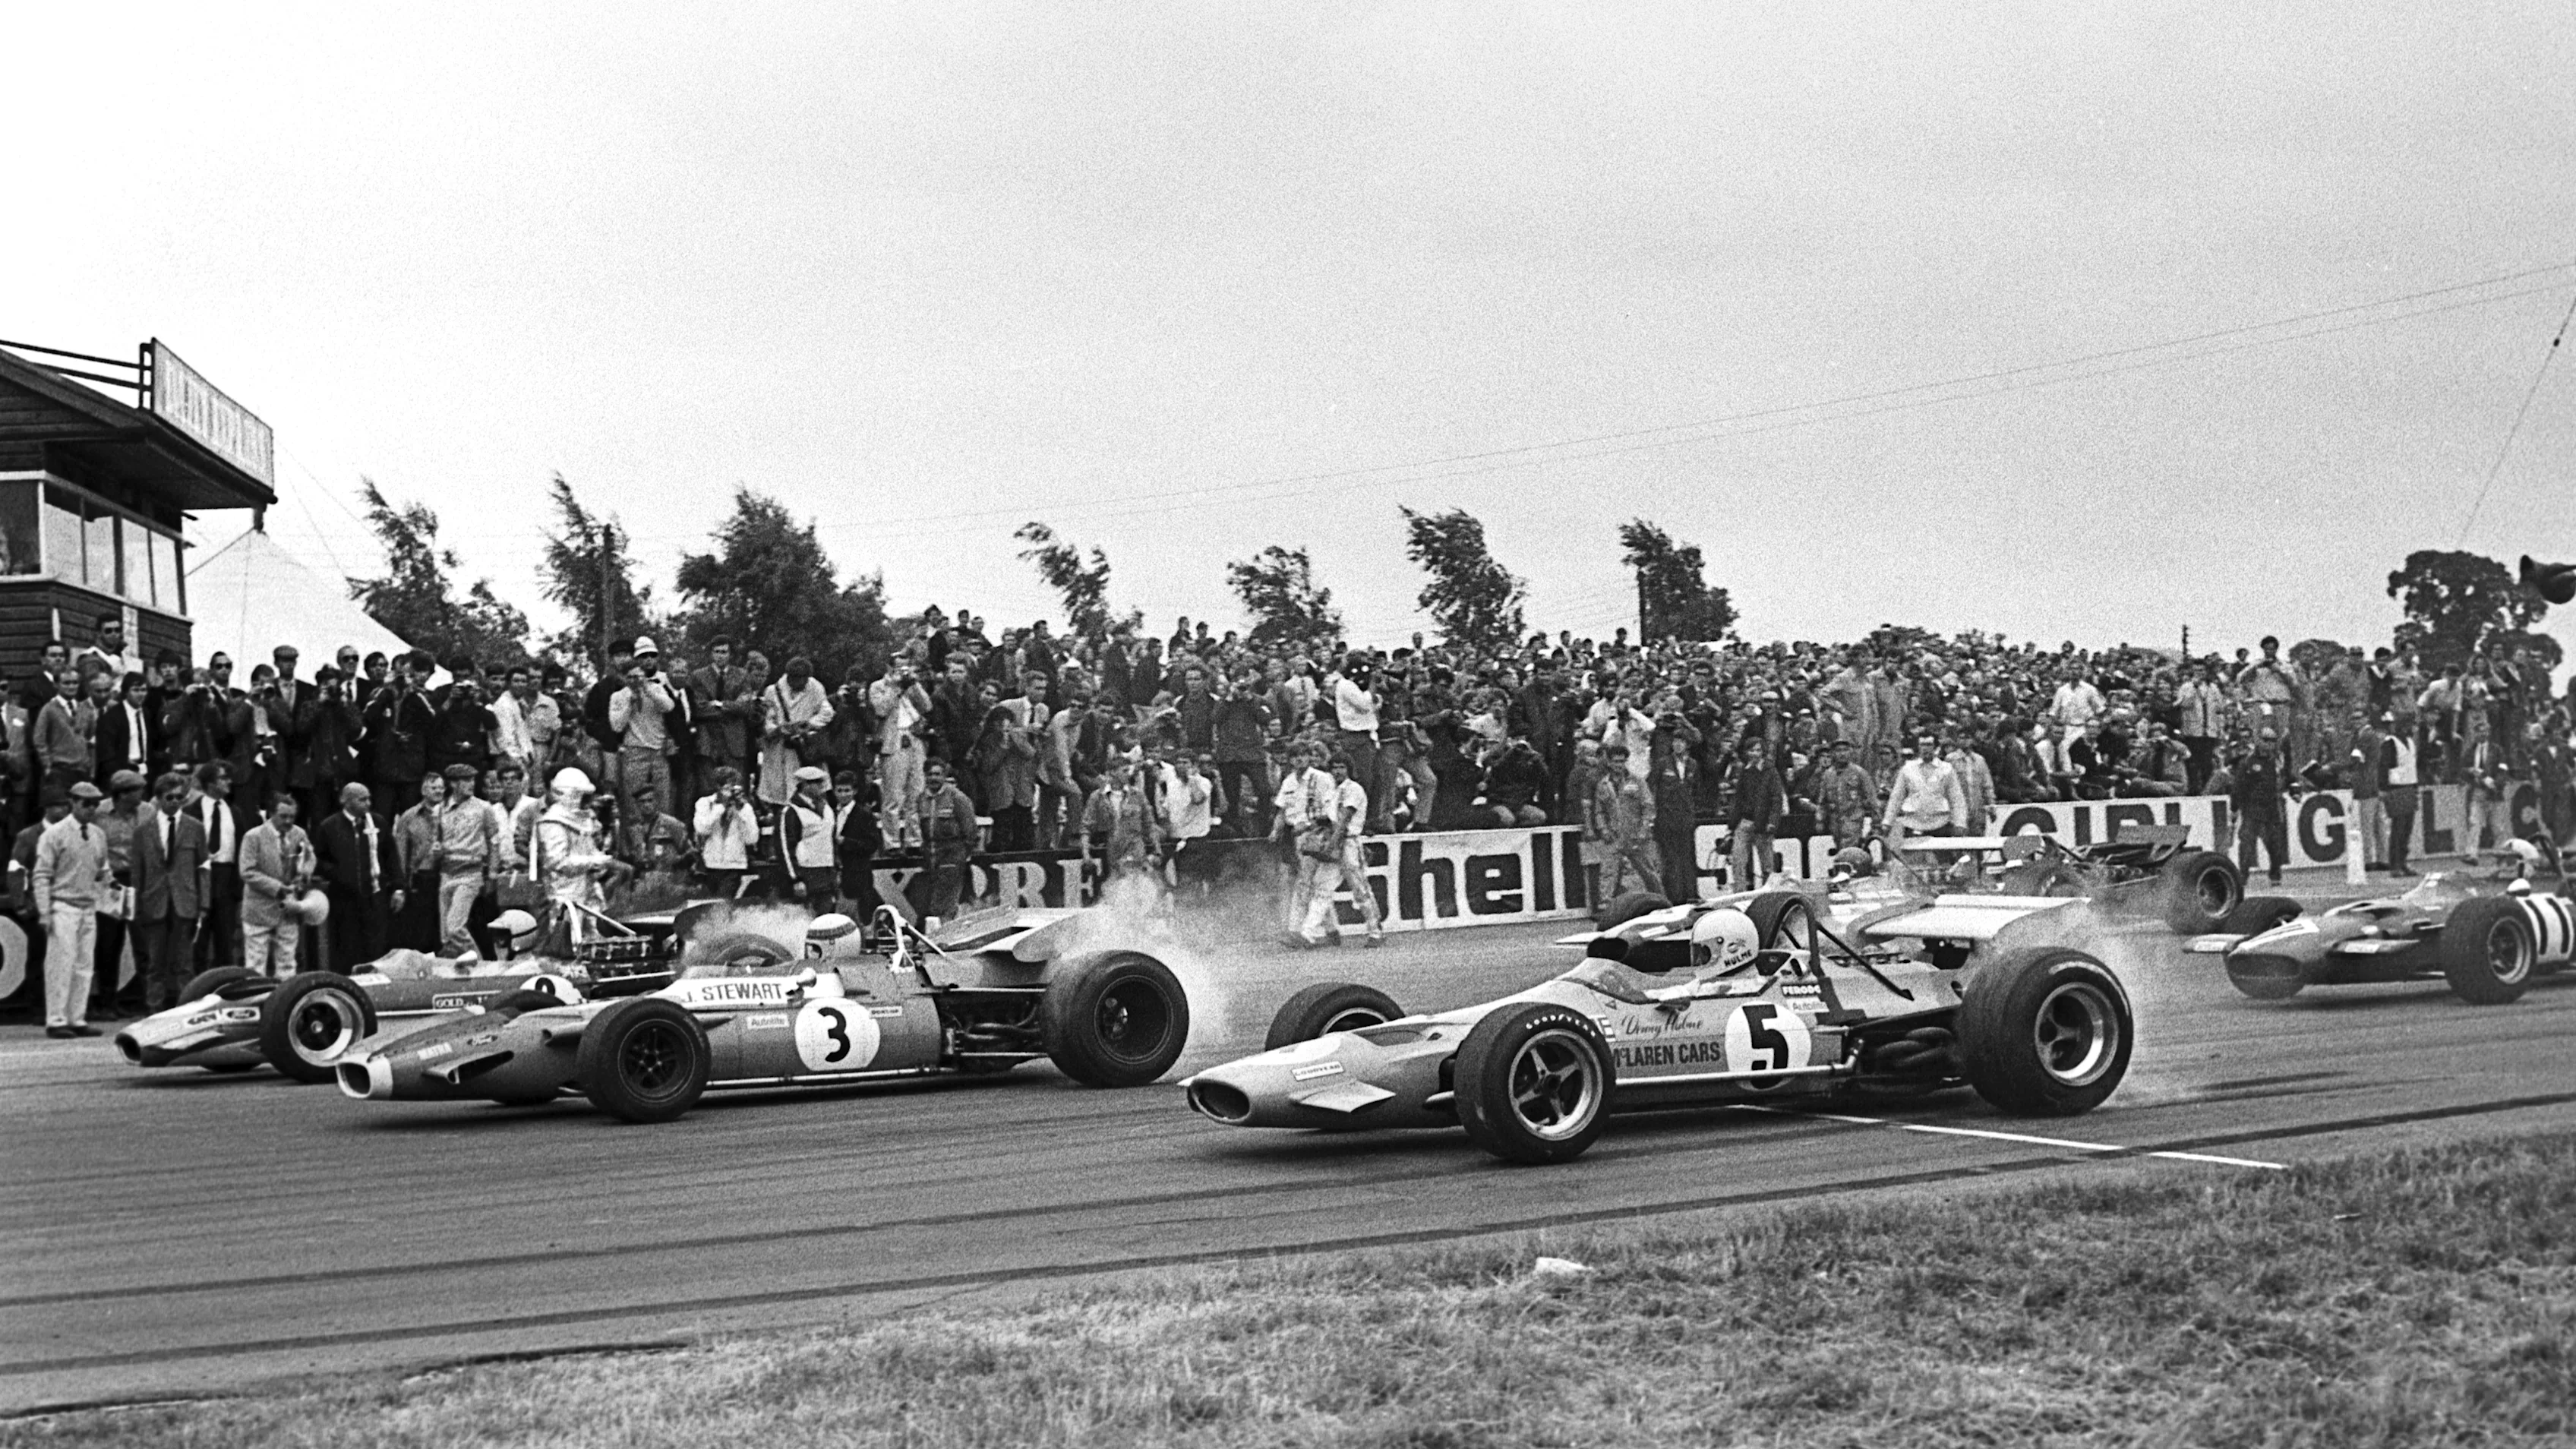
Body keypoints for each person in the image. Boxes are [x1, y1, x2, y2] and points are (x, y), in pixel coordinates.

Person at [32, 782, 112, 1037]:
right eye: (86, 803)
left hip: (88, 906)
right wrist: (45, 911)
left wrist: (114, 892)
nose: (91, 808)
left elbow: (104, 870)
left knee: (84, 966)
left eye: (95, 804)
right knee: (60, 965)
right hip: (63, 905)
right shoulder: (54, 834)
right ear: (73, 803)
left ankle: (77, 1017)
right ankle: (56, 1019)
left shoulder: (99, 834)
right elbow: (42, 875)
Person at [128, 772, 208, 1010]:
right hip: (154, 900)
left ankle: (188, 1010)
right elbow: (136, 871)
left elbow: (203, 867)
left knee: (185, 961)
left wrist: (203, 903)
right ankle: (154, 1007)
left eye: (180, 798)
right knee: (155, 961)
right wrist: (136, 903)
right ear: (159, 799)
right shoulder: (143, 831)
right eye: (170, 797)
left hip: (185, 900)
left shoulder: (195, 828)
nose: (175, 801)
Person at [1296, 753, 1383, 948]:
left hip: (1348, 843)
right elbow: (1329, 819)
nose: (1338, 771)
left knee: (1360, 889)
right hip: (1333, 841)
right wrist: (1311, 827)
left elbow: (1344, 821)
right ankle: (1307, 933)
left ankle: (1375, 931)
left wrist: (1330, 846)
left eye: (1342, 767)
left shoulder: (1354, 789)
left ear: (1349, 769)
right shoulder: (1331, 791)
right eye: (1334, 767)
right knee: (1322, 888)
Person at [311, 781, 396, 971]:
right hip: (344, 898)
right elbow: (318, 860)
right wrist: (338, 873)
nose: (368, 803)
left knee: (376, 944)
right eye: (362, 799)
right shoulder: (329, 826)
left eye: (369, 799)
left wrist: (398, 886)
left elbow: (391, 856)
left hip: (374, 894)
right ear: (346, 801)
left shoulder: (379, 822)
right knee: (347, 945)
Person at [238, 793, 314, 977]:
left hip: (288, 910)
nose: (288, 821)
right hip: (259, 910)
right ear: (271, 814)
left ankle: (286, 1001)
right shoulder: (253, 836)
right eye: (283, 816)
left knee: (288, 963)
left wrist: (304, 874)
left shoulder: (299, 834)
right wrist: (277, 887)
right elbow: (247, 871)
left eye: (292, 817)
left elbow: (310, 858)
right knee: (255, 965)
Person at [431, 763, 500, 956]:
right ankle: (458, 973)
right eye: (466, 780)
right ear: (453, 784)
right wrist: (437, 850)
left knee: (455, 927)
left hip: (470, 872)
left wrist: (493, 874)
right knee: (446, 935)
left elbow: (494, 842)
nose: (471, 784)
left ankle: (478, 964)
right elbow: (438, 841)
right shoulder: (440, 810)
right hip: (446, 872)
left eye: (472, 780)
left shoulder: (483, 808)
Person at [187, 762, 245, 970]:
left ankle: (224, 987)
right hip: (201, 875)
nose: (229, 782)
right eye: (223, 778)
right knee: (198, 939)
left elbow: (241, 850)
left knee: (225, 941)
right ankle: (197, 989)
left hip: (226, 878)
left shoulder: (236, 812)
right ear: (210, 783)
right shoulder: (191, 811)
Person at [1591, 741, 1663, 901]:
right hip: (1614, 835)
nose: (1619, 765)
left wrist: (1644, 829)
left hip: (1636, 835)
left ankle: (1660, 900)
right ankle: (1606, 906)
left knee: (1648, 871)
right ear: (1609, 762)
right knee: (1608, 872)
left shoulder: (1637, 781)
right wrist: (1603, 829)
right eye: (1616, 761)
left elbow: (1648, 806)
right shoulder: (1603, 785)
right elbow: (1599, 811)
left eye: (1622, 761)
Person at [917, 757, 980, 920]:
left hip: (952, 856)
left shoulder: (957, 798)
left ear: (944, 776)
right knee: (932, 904)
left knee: (942, 905)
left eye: (938, 774)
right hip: (931, 859)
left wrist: (961, 854)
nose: (934, 778)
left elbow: (971, 831)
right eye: (930, 774)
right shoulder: (921, 799)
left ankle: (943, 941)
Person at [1881, 732, 1967, 854]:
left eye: (1929, 744)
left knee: (1941, 863)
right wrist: (1887, 822)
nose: (1925, 748)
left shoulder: (1947, 769)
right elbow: (1896, 797)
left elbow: (1957, 798)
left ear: (1936, 747)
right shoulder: (1907, 769)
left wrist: (1960, 823)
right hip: (1913, 823)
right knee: (1913, 862)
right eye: (1922, 745)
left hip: (1940, 823)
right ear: (1918, 747)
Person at [2230, 728, 2293, 886]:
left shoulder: (2278, 760)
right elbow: (2238, 786)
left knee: (2275, 844)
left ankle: (2275, 874)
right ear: (2259, 741)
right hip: (2252, 808)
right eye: (2266, 740)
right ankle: (2242, 877)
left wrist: (2295, 789)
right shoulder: (2248, 761)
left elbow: (2288, 776)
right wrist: (2234, 808)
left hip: (2272, 807)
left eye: (2272, 740)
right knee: (2247, 843)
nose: (2269, 744)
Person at [693, 766, 759, 900]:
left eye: (734, 785)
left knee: (722, 903)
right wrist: (721, 807)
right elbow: (702, 829)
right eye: (727, 786)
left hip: (734, 866)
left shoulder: (744, 808)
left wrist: (741, 812)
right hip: (709, 865)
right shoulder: (705, 803)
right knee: (707, 907)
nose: (731, 791)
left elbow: (752, 839)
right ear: (718, 787)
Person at [780, 766, 841, 908]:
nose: (822, 785)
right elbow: (785, 847)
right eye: (816, 782)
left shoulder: (827, 809)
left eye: (822, 781)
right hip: (806, 872)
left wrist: (837, 867)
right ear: (804, 785)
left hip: (827, 870)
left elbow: (832, 840)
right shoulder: (791, 810)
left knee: (827, 916)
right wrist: (795, 879)